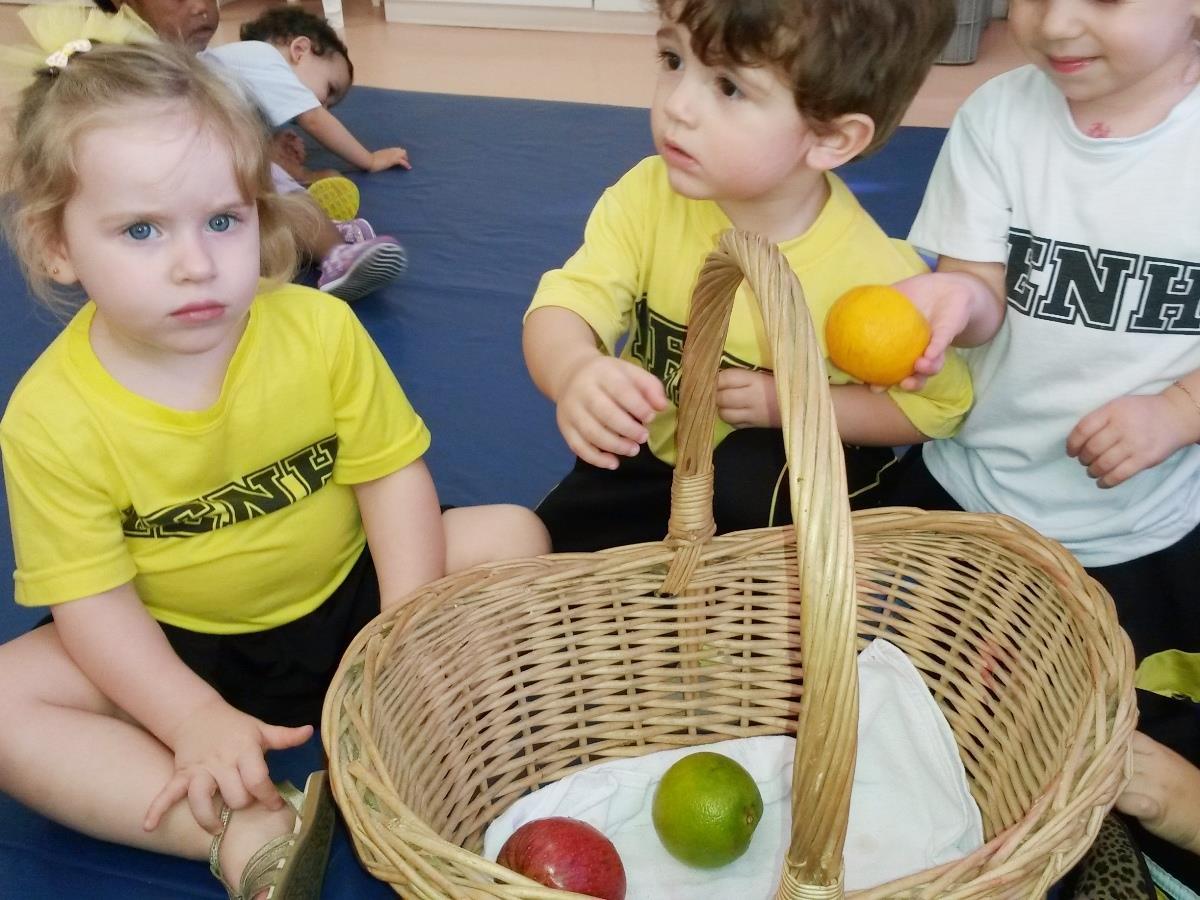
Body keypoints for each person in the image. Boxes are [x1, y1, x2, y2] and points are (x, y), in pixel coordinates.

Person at [0, 35, 548, 899]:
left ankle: (443, 745)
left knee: (513, 534)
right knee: (4, 707)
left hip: (348, 595)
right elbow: (91, 600)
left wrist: (397, 637)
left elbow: (390, 480)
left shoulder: (318, 330)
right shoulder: (49, 417)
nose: (195, 262)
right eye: (141, 229)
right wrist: (187, 716)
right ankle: (237, 829)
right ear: (56, 246)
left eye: (222, 219)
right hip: (173, 644)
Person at [877, 0, 1200, 891]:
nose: (1053, 23)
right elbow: (982, 287)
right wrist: (953, 307)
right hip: (972, 493)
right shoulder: (1000, 114)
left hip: (1139, 530)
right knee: (905, 710)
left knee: (1111, 739)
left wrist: (1176, 409)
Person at [523, 0, 972, 553]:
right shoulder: (649, 194)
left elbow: (936, 408)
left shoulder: (880, 279)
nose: (678, 105)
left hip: (779, 502)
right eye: (672, 59)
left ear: (831, 137)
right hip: (651, 462)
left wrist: (783, 404)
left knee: (751, 472)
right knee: (539, 554)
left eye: (730, 88)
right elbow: (566, 303)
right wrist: (574, 370)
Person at [200, 6, 410, 302]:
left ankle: (298, 230)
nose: (324, 106)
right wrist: (369, 159)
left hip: (202, 153)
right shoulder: (263, 56)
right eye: (329, 90)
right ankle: (335, 254)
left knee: (266, 194)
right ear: (300, 50)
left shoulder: (239, 74)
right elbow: (313, 119)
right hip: (200, 144)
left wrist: (292, 164)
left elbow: (247, 147)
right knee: (289, 196)